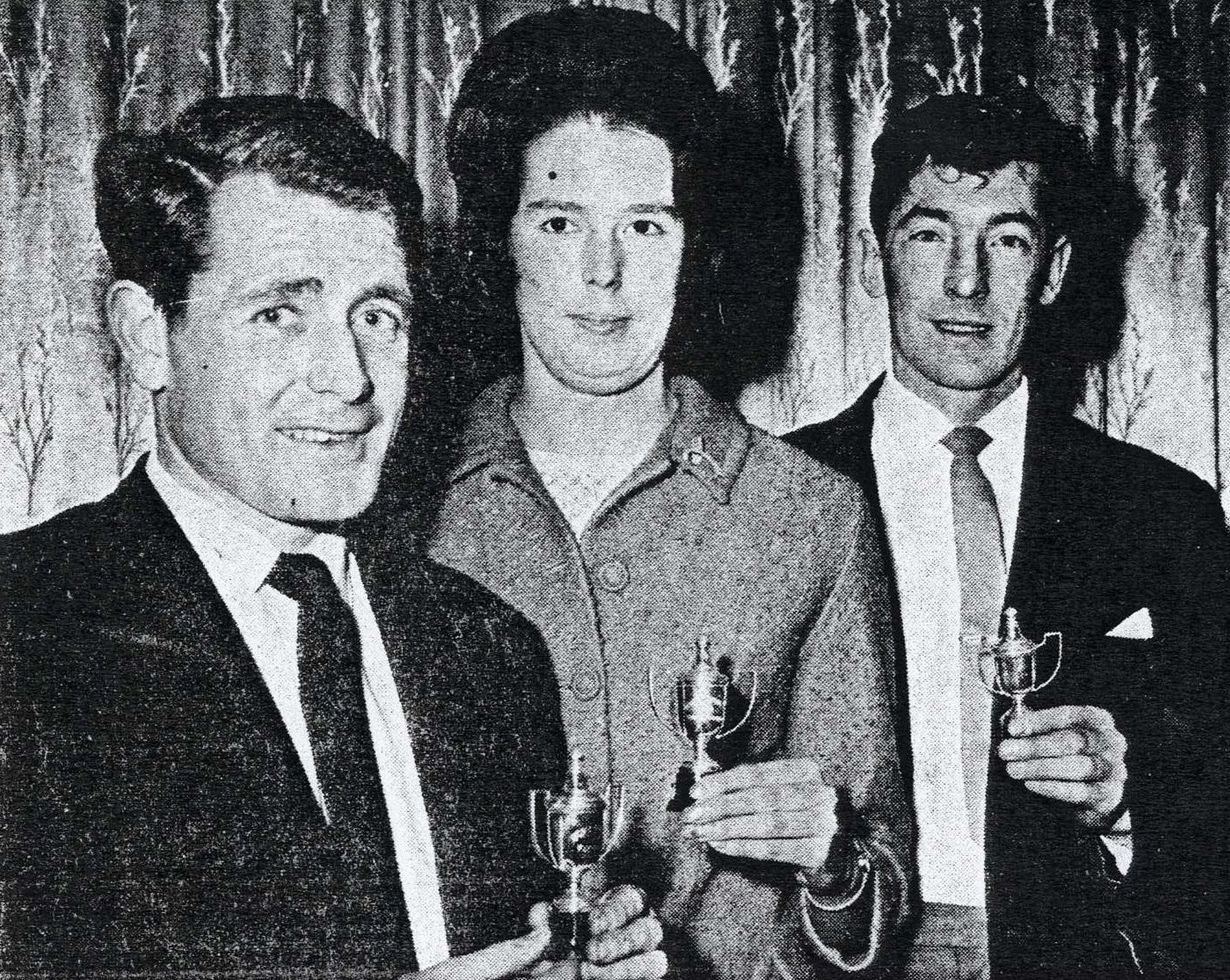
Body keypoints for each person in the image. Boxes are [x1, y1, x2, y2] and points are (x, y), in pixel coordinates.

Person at [0, 94, 665, 979]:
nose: (349, 377)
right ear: (148, 335)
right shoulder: (27, 634)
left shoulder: (491, 648)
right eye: (280, 314)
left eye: (376, 317)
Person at [427, 8, 911, 979]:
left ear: (693, 248)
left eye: (645, 224)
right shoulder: (405, 511)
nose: (604, 275)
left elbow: (879, 900)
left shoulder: (811, 512)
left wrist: (834, 862)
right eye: (561, 222)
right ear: (500, 240)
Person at [786, 91, 1230, 980]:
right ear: (876, 260)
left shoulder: (1163, 510)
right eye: (929, 235)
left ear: (1055, 270)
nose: (965, 280)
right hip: (831, 955)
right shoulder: (777, 496)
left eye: (1007, 240)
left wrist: (1126, 801)